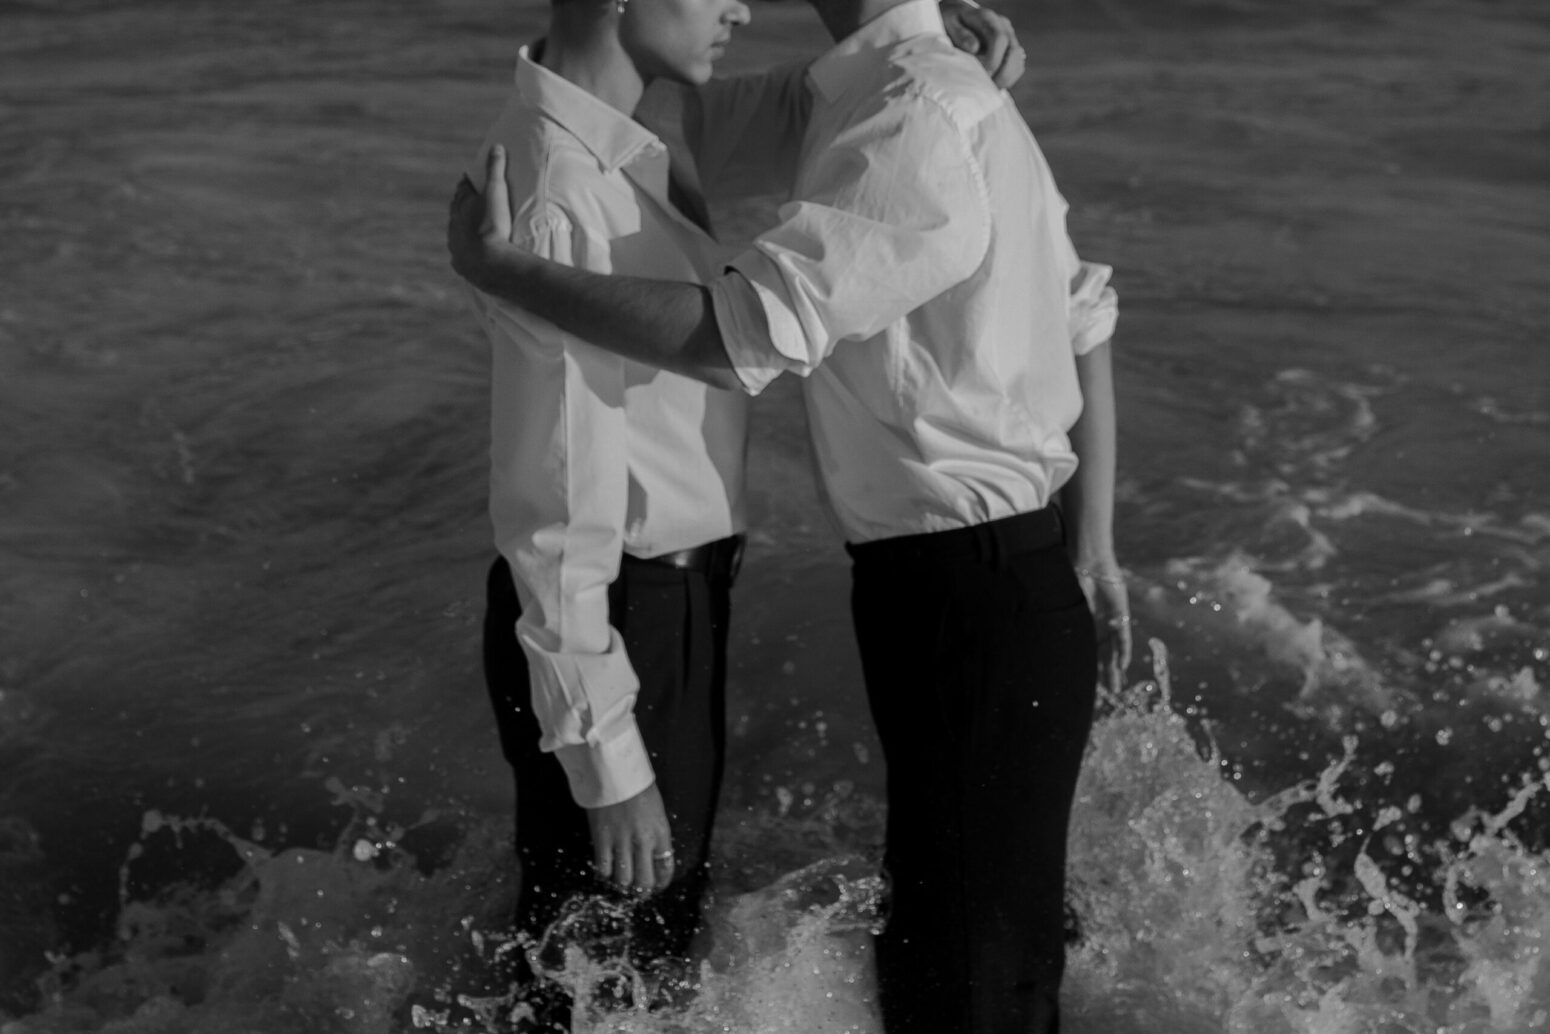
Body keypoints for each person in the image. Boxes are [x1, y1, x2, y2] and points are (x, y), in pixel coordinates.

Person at [448, 0, 1130, 1028]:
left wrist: (947, 75)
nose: (742, 3)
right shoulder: (575, 179)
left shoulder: (883, 111)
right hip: (642, 617)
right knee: (608, 982)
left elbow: (755, 315)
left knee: (653, 975)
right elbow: (553, 509)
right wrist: (603, 750)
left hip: (838, 603)